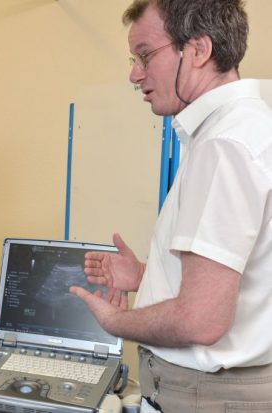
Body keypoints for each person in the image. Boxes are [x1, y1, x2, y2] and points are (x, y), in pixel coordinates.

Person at [70, 0, 272, 412]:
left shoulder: (225, 145)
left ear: (198, 50)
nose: (134, 73)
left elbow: (202, 320)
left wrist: (115, 323)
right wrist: (147, 278)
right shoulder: (245, 126)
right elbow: (242, 282)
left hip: (207, 396)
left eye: (145, 55)